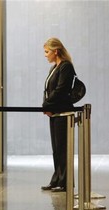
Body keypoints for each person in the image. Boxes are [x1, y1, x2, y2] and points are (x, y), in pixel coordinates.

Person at [41, 37, 76, 192]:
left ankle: (64, 182)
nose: (45, 55)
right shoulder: (54, 67)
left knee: (63, 148)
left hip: (63, 113)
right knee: (56, 148)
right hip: (54, 113)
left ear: (55, 51)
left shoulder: (66, 67)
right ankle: (57, 179)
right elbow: (48, 90)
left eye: (47, 51)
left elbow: (61, 90)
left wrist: (46, 104)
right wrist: (47, 106)